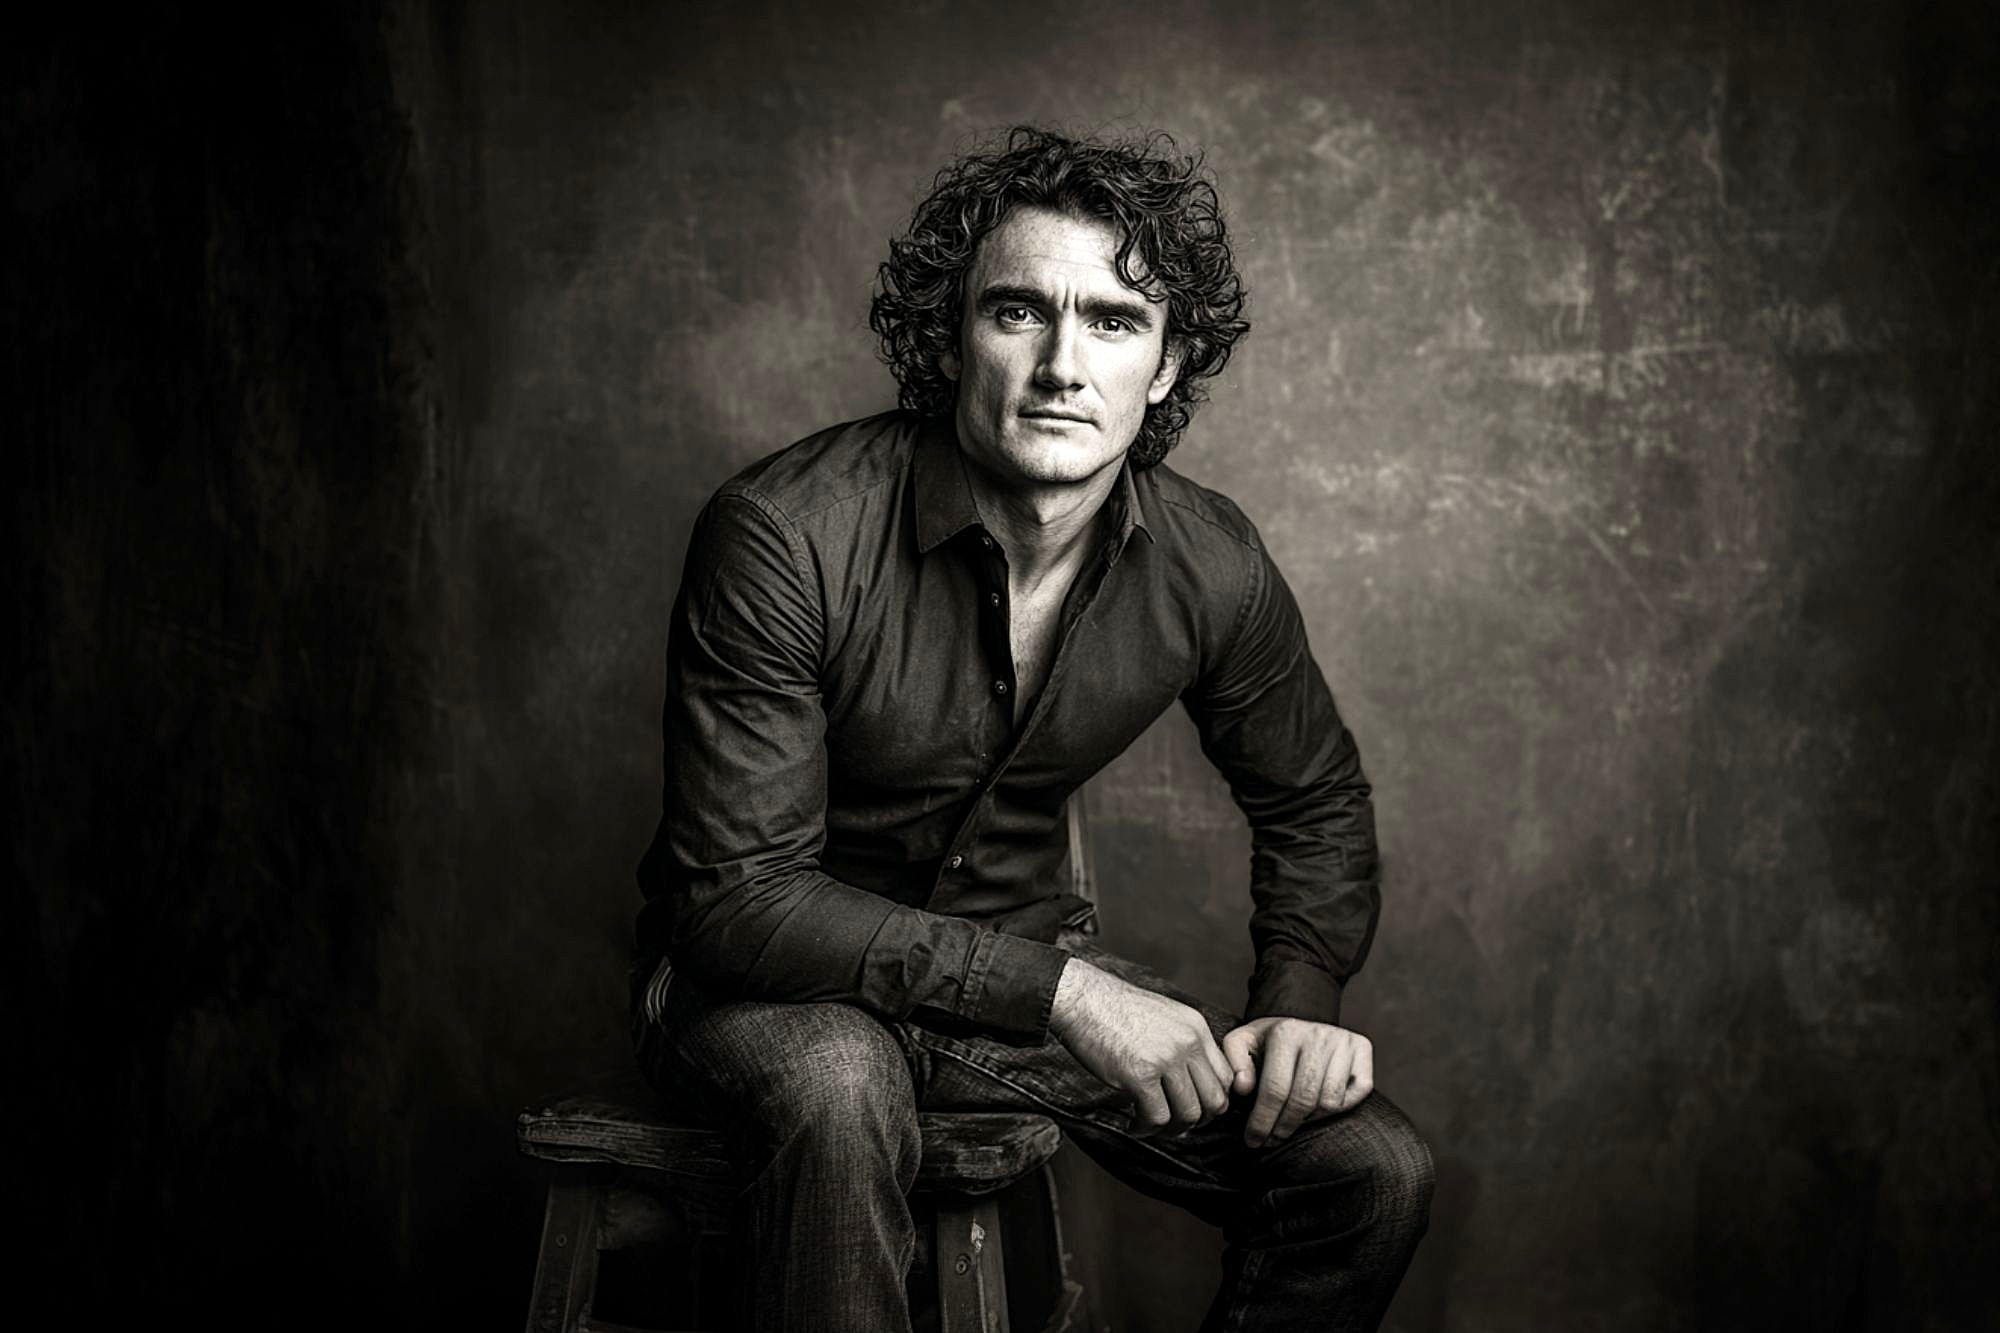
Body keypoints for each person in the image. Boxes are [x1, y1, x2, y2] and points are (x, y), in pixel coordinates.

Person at [632, 125, 1434, 1332]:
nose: (1062, 365)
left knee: (1366, 1171)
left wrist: (1296, 1002)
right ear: (952, 335)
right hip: (760, 990)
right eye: (1017, 312)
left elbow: (1313, 798)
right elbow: (737, 901)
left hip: (1001, 995)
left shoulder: (1207, 563)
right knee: (841, 1080)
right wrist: (1063, 993)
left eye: (1113, 320)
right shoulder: (785, 533)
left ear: (1164, 366)